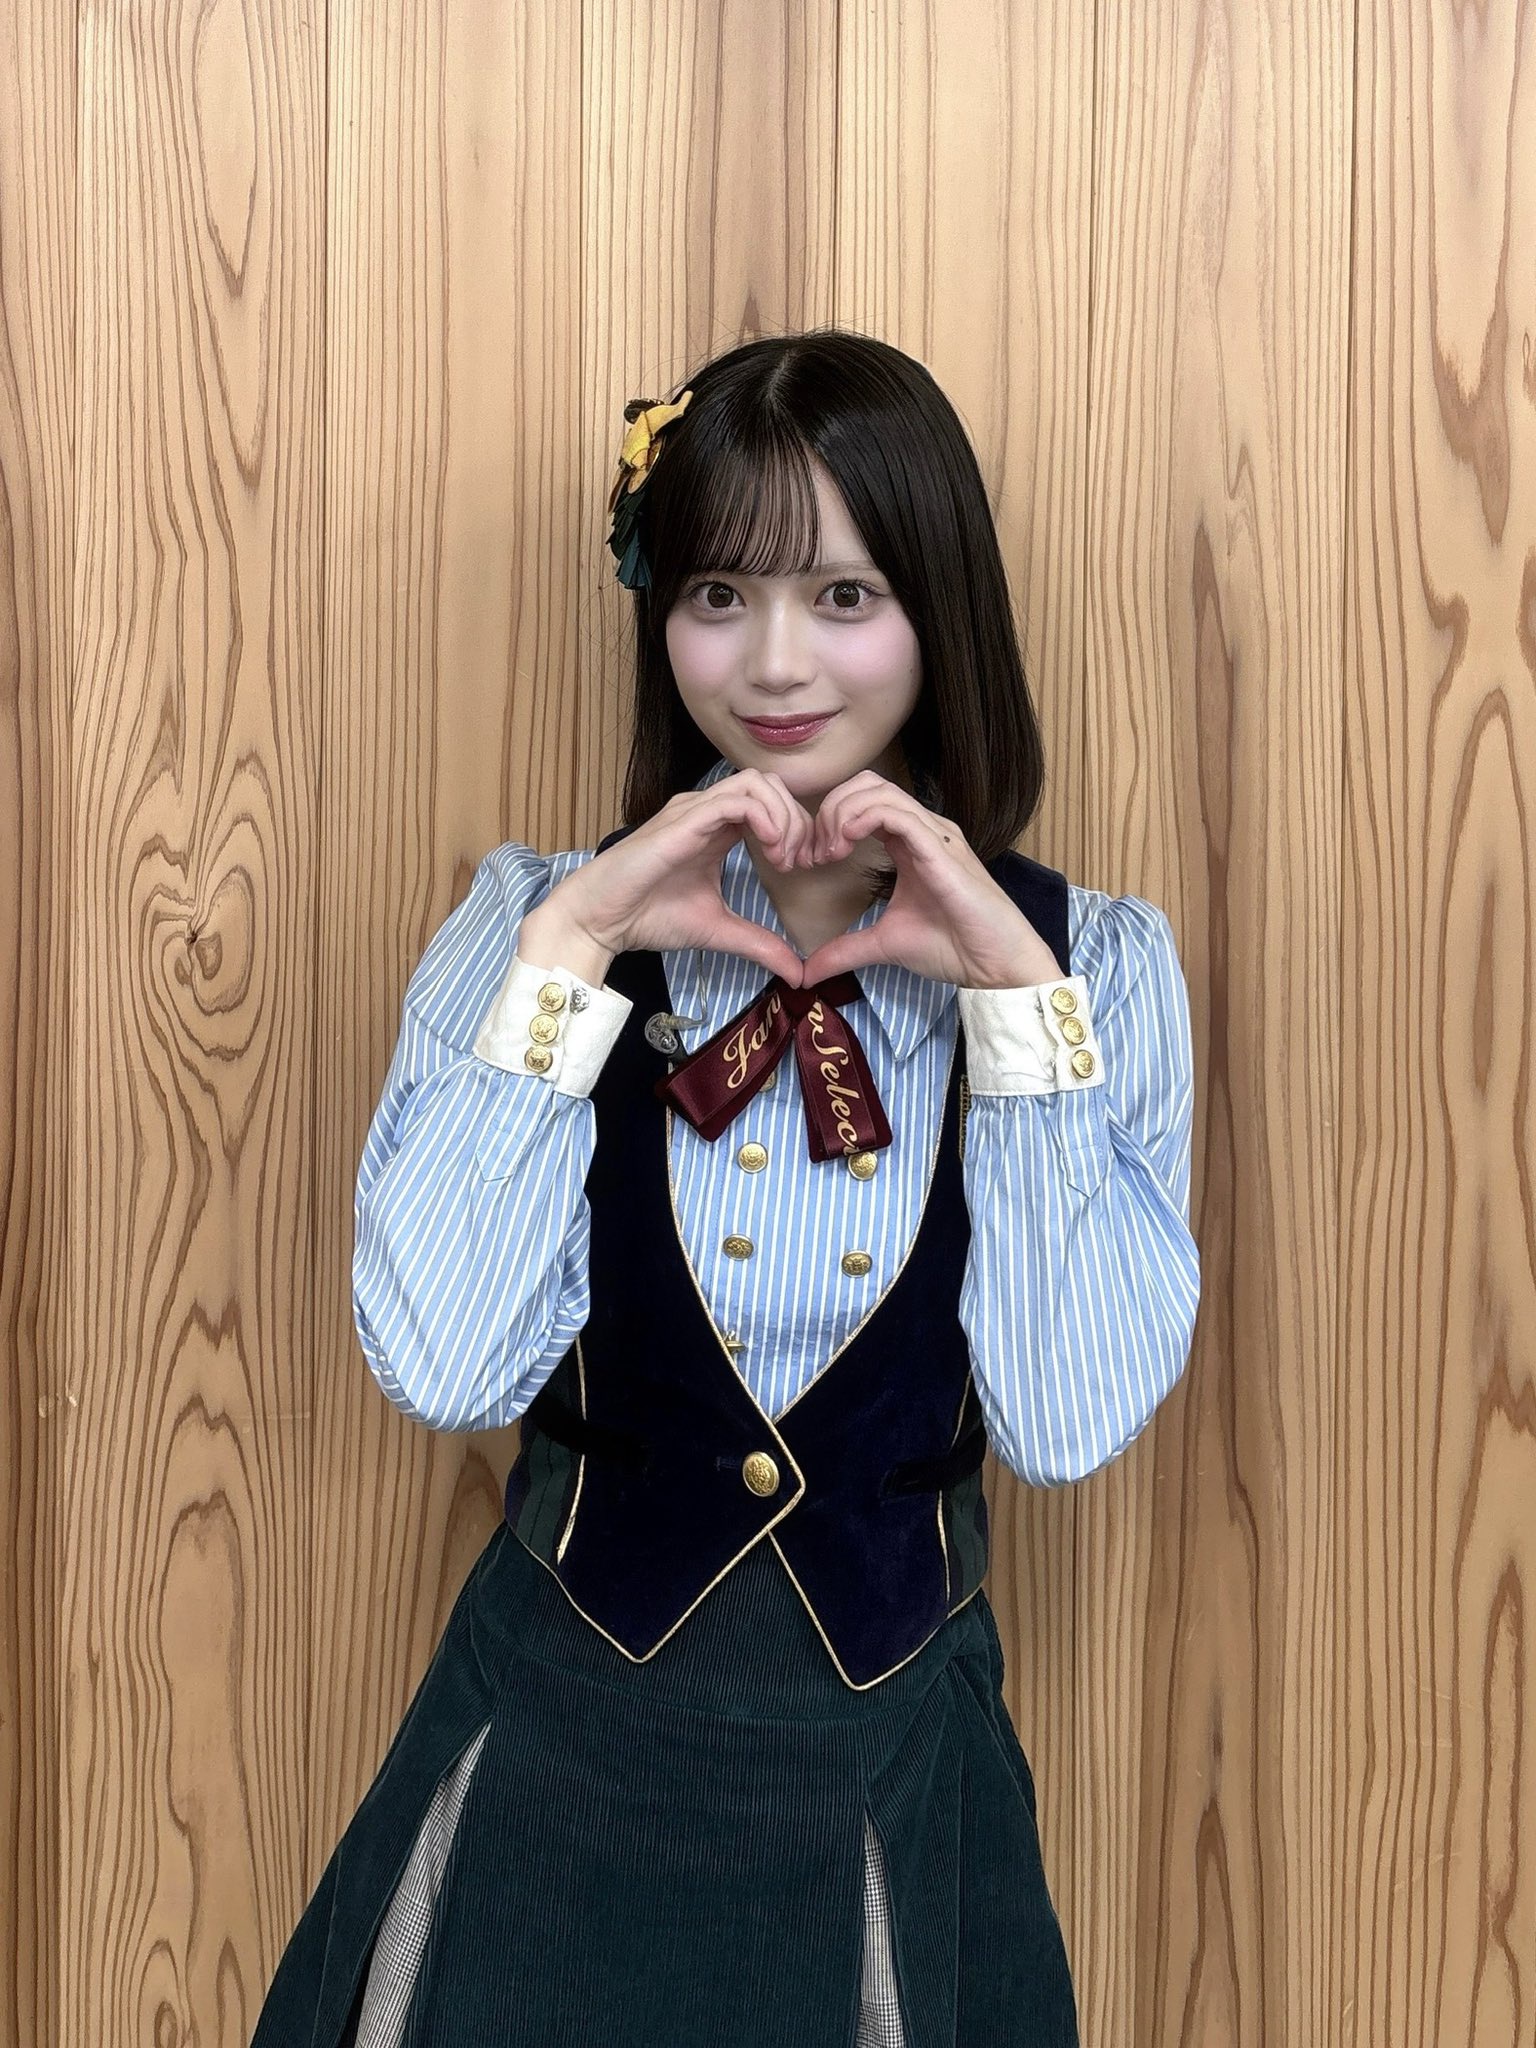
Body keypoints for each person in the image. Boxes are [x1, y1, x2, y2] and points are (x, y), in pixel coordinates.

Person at [250, 327, 1201, 2048]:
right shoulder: (531, 928)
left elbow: (1067, 1424)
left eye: (844, 596)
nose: (774, 662)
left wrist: (1013, 999)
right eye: (716, 593)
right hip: (546, 1756)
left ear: (940, 606)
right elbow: (444, 1369)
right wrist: (574, 953)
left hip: (888, 1762)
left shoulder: (1094, 971)